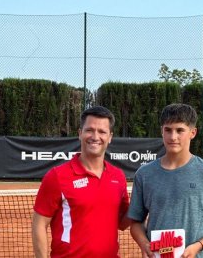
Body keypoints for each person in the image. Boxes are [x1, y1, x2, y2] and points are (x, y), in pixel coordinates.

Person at [128, 103, 203, 258]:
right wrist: (145, 245)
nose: (173, 137)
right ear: (161, 131)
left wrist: (198, 246)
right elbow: (136, 222)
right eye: (168, 130)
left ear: (193, 132)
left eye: (180, 130)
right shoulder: (144, 174)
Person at [32, 106, 130, 257]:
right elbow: (39, 224)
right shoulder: (57, 176)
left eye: (102, 132)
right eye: (89, 130)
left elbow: (122, 223)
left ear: (110, 137)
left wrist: (143, 204)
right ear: (80, 133)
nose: (95, 136)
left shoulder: (118, 177)